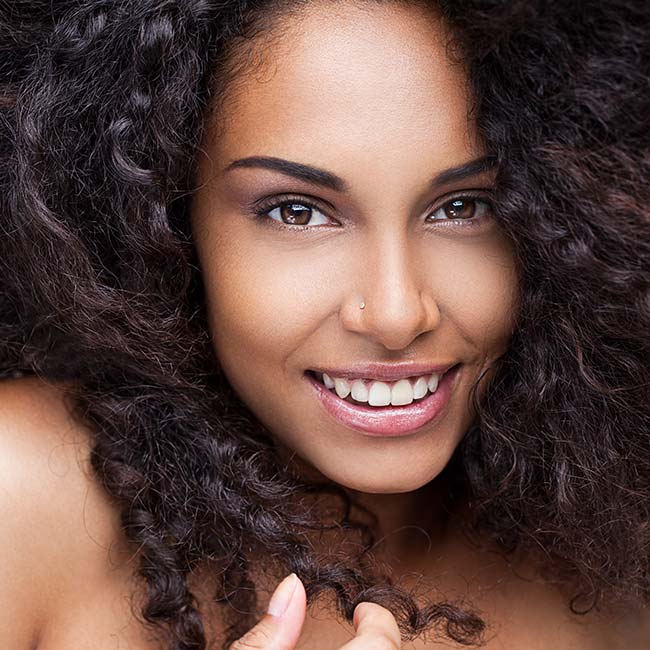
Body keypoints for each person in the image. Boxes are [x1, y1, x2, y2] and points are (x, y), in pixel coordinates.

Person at [1, 0, 648, 648]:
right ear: (168, 221)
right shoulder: (24, 497)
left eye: (463, 206)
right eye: (298, 213)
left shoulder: (618, 565)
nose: (397, 314)